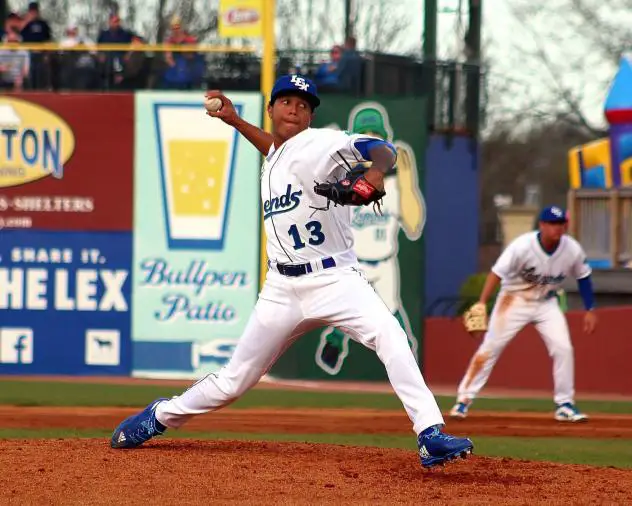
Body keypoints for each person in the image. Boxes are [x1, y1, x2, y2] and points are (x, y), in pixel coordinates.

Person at [110, 74, 474, 469]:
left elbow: (381, 149)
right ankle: (159, 416)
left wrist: (373, 173)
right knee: (234, 382)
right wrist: (233, 121)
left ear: (311, 116)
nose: (295, 108)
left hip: (335, 279)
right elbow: (276, 150)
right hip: (281, 287)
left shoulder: (324, 142)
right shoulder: (275, 156)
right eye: (286, 101)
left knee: (391, 335)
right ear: (271, 109)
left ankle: (429, 434)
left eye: (303, 105)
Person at [450, 206, 597, 422]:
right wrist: (482, 303)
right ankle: (463, 400)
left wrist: (590, 309)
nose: (558, 228)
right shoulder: (522, 246)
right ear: (542, 225)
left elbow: (584, 277)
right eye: (553, 224)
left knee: (563, 348)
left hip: (546, 303)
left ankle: (565, 404)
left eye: (561, 224)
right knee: (490, 348)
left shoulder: (572, 249)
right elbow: (496, 273)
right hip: (513, 300)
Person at [316, 104, 425, 375]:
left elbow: (413, 226)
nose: (370, 144)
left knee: (391, 315)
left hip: (385, 262)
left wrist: (408, 179)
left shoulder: (397, 184)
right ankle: (335, 340)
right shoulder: (342, 178)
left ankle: (404, 358)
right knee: (345, 311)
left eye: (375, 137)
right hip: (352, 263)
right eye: (363, 137)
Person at [19, 2, 52, 89]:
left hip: (41, 52)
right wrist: (27, 20)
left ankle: (42, 89)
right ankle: (30, 89)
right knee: (30, 73)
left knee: (41, 73)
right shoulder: (25, 23)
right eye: (32, 11)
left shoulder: (43, 23)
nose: (34, 13)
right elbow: (18, 34)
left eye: (35, 11)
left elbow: (48, 39)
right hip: (28, 52)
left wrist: (47, 54)